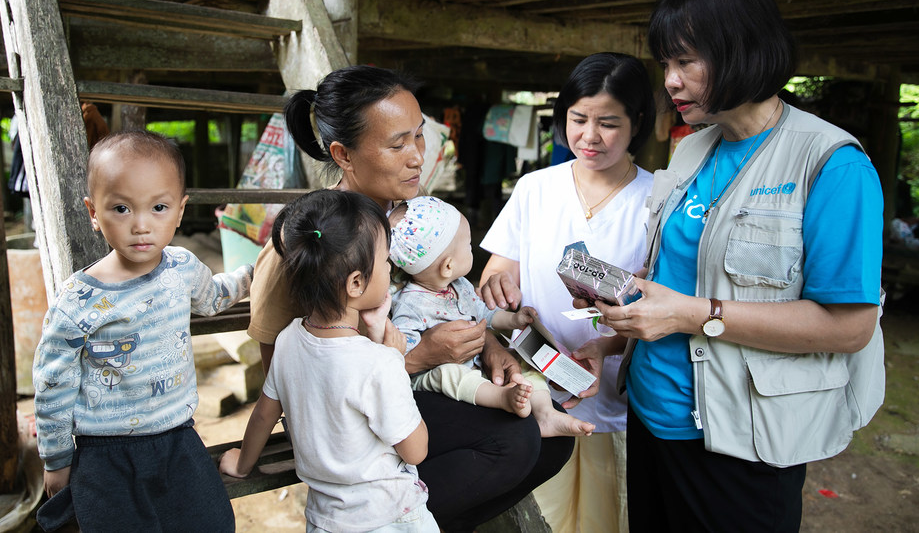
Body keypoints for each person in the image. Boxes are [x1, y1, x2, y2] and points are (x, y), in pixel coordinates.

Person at [572, 0, 885, 532]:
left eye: (685, 61)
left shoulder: (831, 165)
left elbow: (848, 327)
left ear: (742, 51)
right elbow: (676, 278)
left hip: (742, 437)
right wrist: (616, 338)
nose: (669, 80)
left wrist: (694, 315)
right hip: (652, 414)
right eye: (666, 63)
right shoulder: (693, 152)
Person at [247, 65, 574, 532]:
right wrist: (419, 357)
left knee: (552, 437)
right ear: (343, 154)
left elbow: (447, 298)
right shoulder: (310, 245)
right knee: (515, 441)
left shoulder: (414, 218)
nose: (418, 157)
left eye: (420, 137)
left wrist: (487, 345)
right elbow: (292, 384)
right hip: (352, 421)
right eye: (397, 144)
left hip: (415, 388)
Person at [32, 131, 253, 532]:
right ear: (93, 213)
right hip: (105, 452)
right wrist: (57, 460)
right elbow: (53, 386)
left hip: (178, 438)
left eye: (159, 207)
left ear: (180, 210)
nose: (141, 225)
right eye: (120, 208)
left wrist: (254, 276)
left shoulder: (182, 268)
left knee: (214, 523)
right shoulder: (77, 301)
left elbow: (214, 297)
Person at [478, 52, 656, 533]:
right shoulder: (535, 188)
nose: (590, 136)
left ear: (638, 122)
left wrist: (607, 344)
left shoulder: (659, 200)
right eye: (578, 119)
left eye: (608, 123)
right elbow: (500, 267)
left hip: (617, 395)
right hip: (535, 389)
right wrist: (499, 281)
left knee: (611, 516)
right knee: (540, 515)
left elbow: (660, 306)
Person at [220, 189, 438, 532]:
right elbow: (415, 450)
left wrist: (243, 464)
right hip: (393, 518)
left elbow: (265, 412)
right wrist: (395, 361)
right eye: (385, 260)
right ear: (355, 283)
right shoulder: (379, 364)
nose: (390, 266)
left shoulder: (289, 339)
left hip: (325, 521)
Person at [390, 195, 595, 437]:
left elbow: (486, 313)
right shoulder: (409, 304)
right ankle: (502, 398)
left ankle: (545, 413)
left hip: (476, 364)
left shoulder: (460, 286)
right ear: (447, 266)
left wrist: (515, 320)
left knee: (525, 361)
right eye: (467, 246)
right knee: (448, 374)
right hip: (437, 377)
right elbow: (401, 352)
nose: (471, 248)